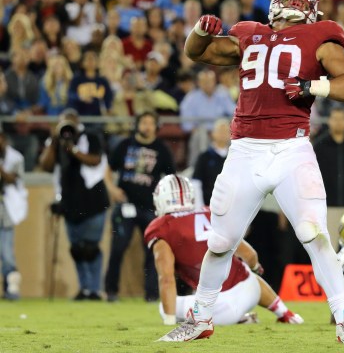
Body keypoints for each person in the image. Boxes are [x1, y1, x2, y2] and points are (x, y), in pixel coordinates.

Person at [159, 0, 344, 344]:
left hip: (291, 148)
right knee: (221, 241)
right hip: (244, 151)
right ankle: (201, 317)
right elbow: (198, 53)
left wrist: (312, 87)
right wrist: (198, 31)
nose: (290, 3)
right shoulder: (249, 34)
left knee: (312, 233)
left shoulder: (319, 37)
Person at [145, 174, 303, 325]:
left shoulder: (162, 227)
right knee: (246, 273)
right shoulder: (210, 212)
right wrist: (255, 267)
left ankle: (230, 318)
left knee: (165, 308)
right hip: (249, 292)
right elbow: (249, 255)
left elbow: (166, 279)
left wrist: (169, 321)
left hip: (220, 307)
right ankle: (286, 315)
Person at [104, 111, 175, 302]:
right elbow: (107, 171)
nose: (147, 126)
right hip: (125, 204)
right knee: (118, 247)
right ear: (137, 124)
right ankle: (111, 292)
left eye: (151, 123)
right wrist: (112, 189)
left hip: (150, 208)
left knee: (153, 251)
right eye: (144, 122)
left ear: (156, 127)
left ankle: (151, 294)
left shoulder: (162, 149)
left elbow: (170, 179)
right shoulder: (125, 145)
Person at [39, 109, 110, 300]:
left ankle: (95, 289)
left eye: (70, 123)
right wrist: (54, 142)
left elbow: (95, 160)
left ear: (78, 123)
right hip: (70, 204)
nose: (67, 128)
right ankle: (84, 288)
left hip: (94, 202)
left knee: (90, 248)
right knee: (76, 249)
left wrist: (74, 150)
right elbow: (45, 165)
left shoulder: (91, 137)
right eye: (63, 124)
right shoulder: (56, 142)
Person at [0, 128, 27, 300]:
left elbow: (12, 179)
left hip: (6, 207)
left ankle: (12, 289)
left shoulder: (15, 157)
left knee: (6, 252)